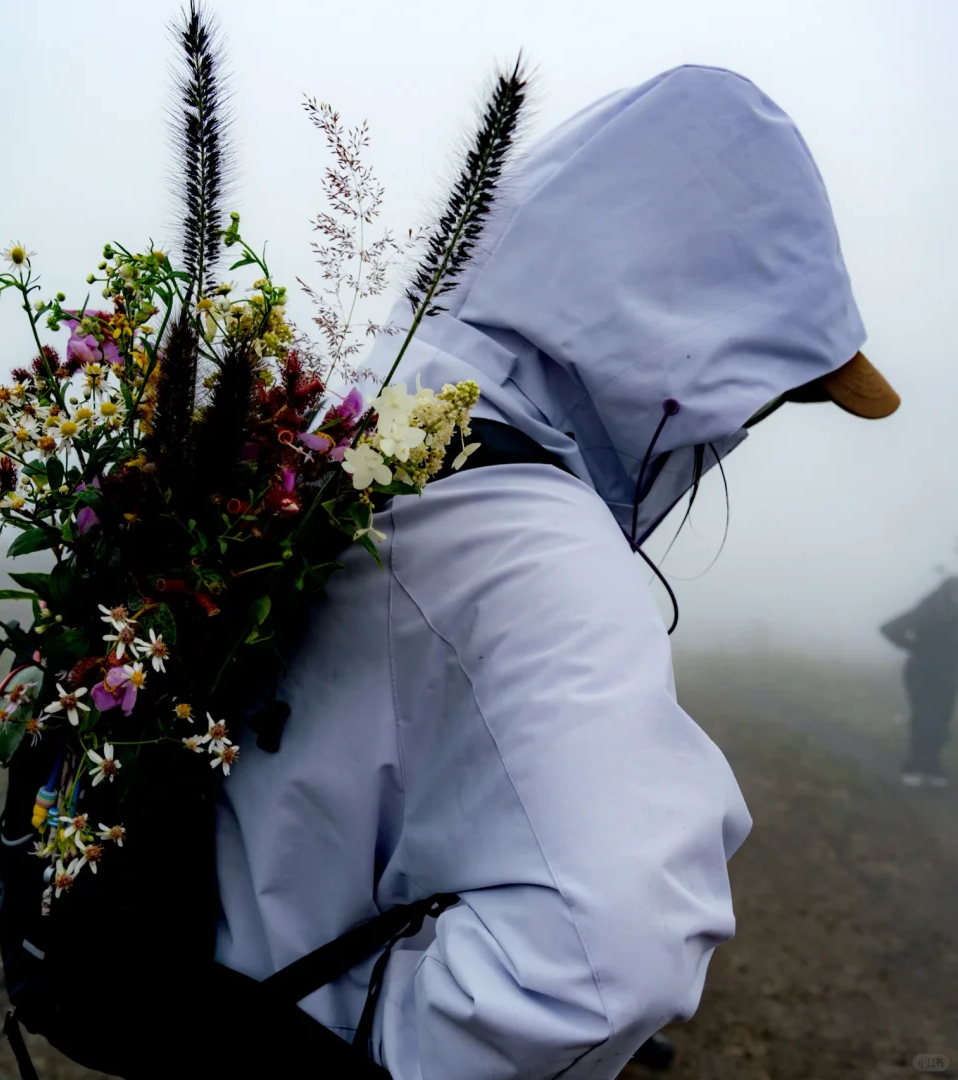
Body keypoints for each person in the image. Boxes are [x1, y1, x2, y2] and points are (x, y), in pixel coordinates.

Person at [215, 65, 899, 1077]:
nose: (743, 423)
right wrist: (356, 1045)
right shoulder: (541, 554)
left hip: (215, 1001)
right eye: (762, 387)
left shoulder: (377, 435)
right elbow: (604, 966)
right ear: (681, 327)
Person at [881, 577, 958, 788]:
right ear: (945, 593)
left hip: (948, 675)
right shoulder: (926, 611)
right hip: (921, 673)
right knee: (925, 717)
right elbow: (889, 628)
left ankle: (932, 765)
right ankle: (915, 766)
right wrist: (915, 648)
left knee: (941, 722)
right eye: (954, 592)